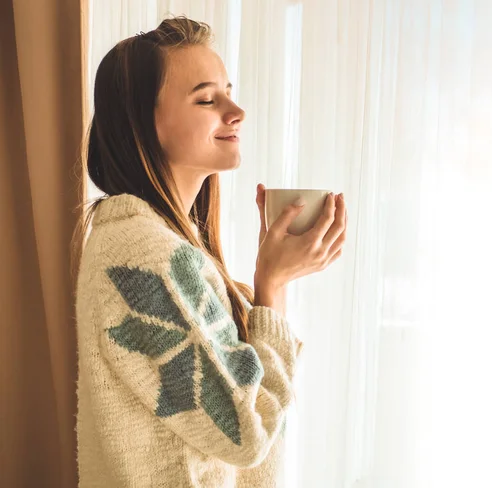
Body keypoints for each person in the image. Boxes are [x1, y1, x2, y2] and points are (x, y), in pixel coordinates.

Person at [72, 16, 347, 488]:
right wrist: (272, 287)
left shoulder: (167, 245)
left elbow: (239, 443)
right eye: (207, 98)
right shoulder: (138, 253)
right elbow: (245, 431)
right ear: (143, 123)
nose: (235, 110)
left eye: (229, 91)